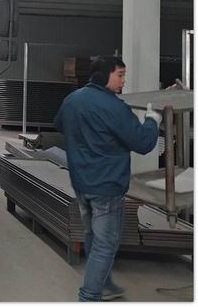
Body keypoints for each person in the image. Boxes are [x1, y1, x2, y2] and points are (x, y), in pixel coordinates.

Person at [54, 57, 161, 302]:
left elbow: (60, 124)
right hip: (107, 186)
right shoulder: (115, 108)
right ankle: (90, 296)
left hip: (81, 182)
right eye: (120, 75)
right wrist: (152, 121)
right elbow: (143, 143)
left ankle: (105, 285)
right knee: (105, 244)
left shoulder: (72, 100)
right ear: (103, 76)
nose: (124, 81)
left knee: (93, 235)